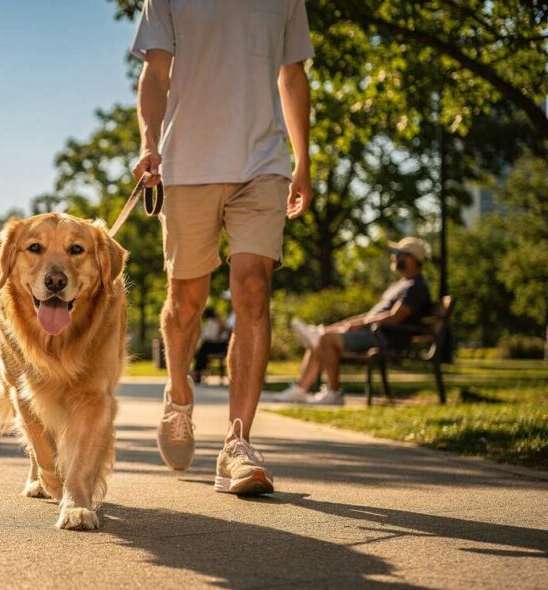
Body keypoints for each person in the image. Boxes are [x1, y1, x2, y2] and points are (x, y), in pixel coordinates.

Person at [132, 0, 314, 493]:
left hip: (264, 161)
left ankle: (238, 443)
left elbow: (292, 75)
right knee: (185, 302)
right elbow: (155, 73)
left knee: (254, 289)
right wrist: (149, 142)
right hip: (187, 163)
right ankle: (178, 392)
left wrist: (303, 161)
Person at [277, 238, 434, 405]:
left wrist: (360, 325)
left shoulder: (416, 287)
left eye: (398, 254)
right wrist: (345, 324)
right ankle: (301, 390)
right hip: (375, 332)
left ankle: (334, 393)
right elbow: (372, 315)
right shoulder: (400, 285)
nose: (393, 257)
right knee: (322, 337)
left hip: (386, 337)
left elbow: (395, 317)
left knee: (326, 340)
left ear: (411, 258)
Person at [191, 307, 230, 385]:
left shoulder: (217, 322)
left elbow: (215, 336)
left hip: (222, 345)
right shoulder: (217, 321)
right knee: (204, 349)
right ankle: (198, 371)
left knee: (204, 347)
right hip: (218, 344)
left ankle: (197, 371)